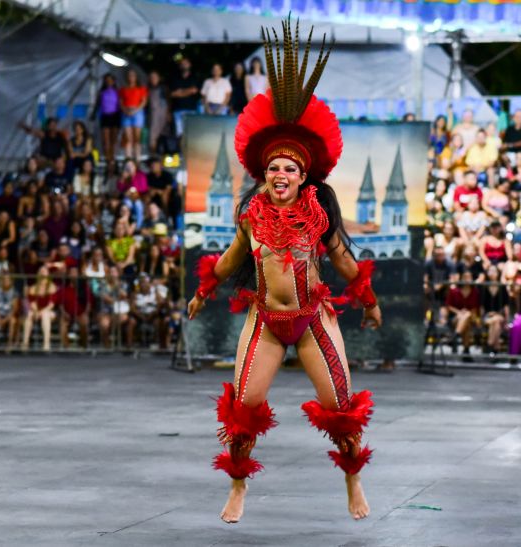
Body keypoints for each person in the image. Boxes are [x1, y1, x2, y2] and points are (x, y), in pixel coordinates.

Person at [186, 21, 380, 523]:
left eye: (289, 170)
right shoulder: (250, 216)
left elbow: (343, 262)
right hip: (266, 321)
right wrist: (203, 291)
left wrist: (369, 300)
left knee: (341, 404)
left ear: (302, 176)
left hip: (314, 319)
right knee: (242, 407)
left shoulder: (318, 214)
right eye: (273, 169)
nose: (280, 176)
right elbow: (230, 261)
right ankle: (237, 487)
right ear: (265, 175)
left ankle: (353, 480)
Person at [22, 265, 58, 351]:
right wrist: (36, 311)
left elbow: (51, 304)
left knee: (45, 315)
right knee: (29, 314)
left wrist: (41, 312)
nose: (42, 273)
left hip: (49, 312)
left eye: (44, 271)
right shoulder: (34, 288)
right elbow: (32, 302)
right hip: (37, 311)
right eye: (41, 271)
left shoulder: (52, 287)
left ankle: (46, 344)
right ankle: (25, 343)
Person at [446, 268, 480, 356]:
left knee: (467, 316)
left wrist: (466, 313)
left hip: (471, 316)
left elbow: (475, 308)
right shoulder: (454, 291)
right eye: (465, 277)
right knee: (466, 323)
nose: (467, 279)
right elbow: (449, 306)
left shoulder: (475, 292)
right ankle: (466, 350)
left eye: (469, 277)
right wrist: (459, 312)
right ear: (461, 278)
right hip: (455, 317)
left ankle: (455, 336)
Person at [59, 266, 91, 349]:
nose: (74, 275)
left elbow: (89, 303)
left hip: (81, 314)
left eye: (75, 273)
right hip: (67, 314)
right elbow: (60, 304)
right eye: (72, 273)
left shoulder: (84, 288)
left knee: (84, 322)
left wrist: (85, 313)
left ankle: (83, 346)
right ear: (69, 275)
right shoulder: (64, 288)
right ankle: (66, 347)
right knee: (63, 324)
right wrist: (64, 313)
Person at [119, 69, 149, 160]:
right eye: (129, 75)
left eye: (133, 75)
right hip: (126, 112)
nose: (131, 77)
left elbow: (144, 101)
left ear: (136, 77)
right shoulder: (123, 89)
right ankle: (128, 159)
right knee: (128, 138)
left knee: (137, 138)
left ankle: (137, 159)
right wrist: (125, 110)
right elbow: (120, 102)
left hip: (137, 112)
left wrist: (135, 110)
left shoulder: (141, 88)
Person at [94, 73, 121, 170]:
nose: (108, 82)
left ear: (113, 81)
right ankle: (108, 159)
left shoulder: (117, 92)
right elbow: (97, 105)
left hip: (115, 116)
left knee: (113, 140)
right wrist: (94, 115)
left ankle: (112, 159)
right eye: (107, 80)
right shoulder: (102, 92)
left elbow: (120, 105)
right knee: (106, 141)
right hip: (105, 116)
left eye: (110, 80)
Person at [480, 264, 509, 355]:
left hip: (499, 315)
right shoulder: (483, 287)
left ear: (498, 273)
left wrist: (506, 320)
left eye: (494, 271)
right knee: (495, 322)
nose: (492, 273)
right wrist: (482, 317)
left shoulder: (502, 287)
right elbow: (481, 306)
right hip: (487, 316)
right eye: (490, 271)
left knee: (496, 319)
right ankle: (495, 348)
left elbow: (506, 305)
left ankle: (489, 344)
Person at [0, 273, 20, 350]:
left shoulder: (14, 292)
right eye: (4, 279)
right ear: (1, 281)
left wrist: (5, 320)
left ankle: (9, 344)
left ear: (11, 281)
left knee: (13, 321)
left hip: (9, 316)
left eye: (8, 279)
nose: (6, 281)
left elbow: (14, 309)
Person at [170, 57, 200, 138]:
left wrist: (180, 92)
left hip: (191, 110)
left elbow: (195, 91)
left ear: (190, 65)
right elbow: (172, 94)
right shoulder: (175, 78)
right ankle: (181, 151)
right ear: (180, 66)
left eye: (186, 63)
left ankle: (190, 151)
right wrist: (188, 91)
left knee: (191, 133)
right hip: (178, 110)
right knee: (180, 135)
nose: (184, 65)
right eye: (182, 63)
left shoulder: (194, 78)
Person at [147, 70, 170, 154]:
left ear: (158, 78)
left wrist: (168, 113)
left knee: (164, 134)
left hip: (162, 114)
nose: (153, 79)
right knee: (152, 136)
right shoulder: (148, 89)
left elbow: (168, 101)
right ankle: (153, 156)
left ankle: (163, 156)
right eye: (151, 77)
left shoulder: (164, 88)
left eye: (155, 77)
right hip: (152, 115)